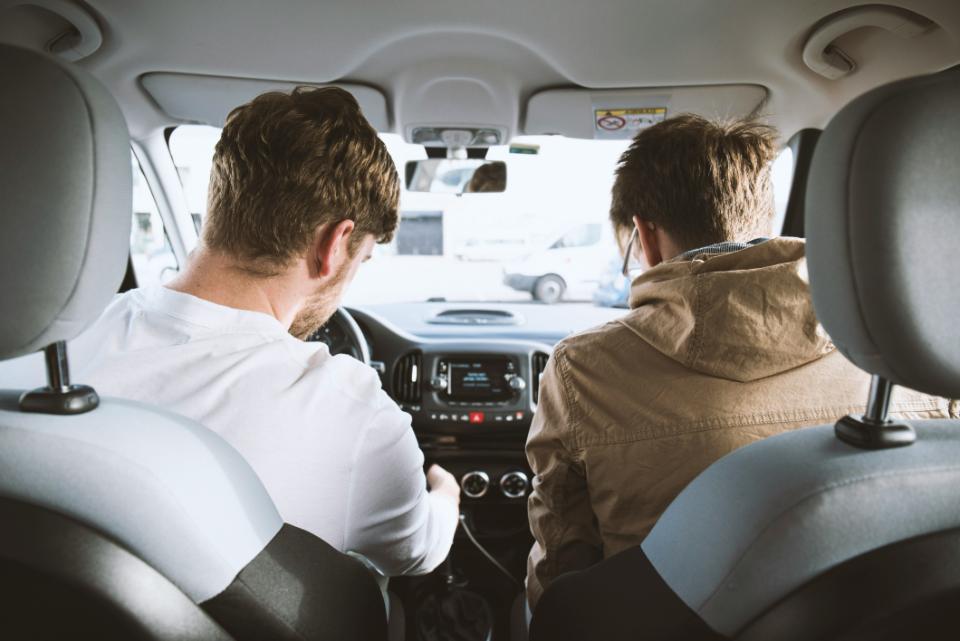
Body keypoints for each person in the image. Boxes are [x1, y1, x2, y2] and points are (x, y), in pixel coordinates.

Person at [7, 87, 460, 577]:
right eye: (361, 261)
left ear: (222, 205)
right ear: (335, 244)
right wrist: (446, 491)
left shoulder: (29, 354)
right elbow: (416, 553)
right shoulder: (355, 413)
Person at [524, 114, 956, 609]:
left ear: (644, 236)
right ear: (763, 224)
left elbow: (562, 560)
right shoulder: (912, 350)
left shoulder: (582, 368)